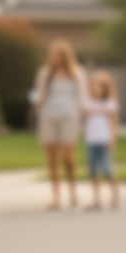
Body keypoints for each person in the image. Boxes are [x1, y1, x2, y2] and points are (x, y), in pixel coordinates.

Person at [34, 40, 86, 209]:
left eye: (57, 53)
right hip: (49, 116)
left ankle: (73, 192)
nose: (54, 57)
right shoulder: (44, 73)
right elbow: (38, 94)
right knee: (52, 159)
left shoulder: (76, 73)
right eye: (51, 53)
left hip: (69, 117)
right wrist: (38, 101)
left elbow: (82, 97)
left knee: (68, 157)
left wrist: (83, 117)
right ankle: (55, 196)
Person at [83, 70, 120, 210]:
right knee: (93, 170)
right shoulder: (87, 102)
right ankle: (96, 199)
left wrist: (113, 140)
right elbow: (83, 116)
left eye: (100, 85)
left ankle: (114, 194)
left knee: (107, 168)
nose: (96, 88)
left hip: (104, 140)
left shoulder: (110, 103)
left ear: (105, 87)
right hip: (91, 141)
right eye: (94, 85)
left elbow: (113, 123)